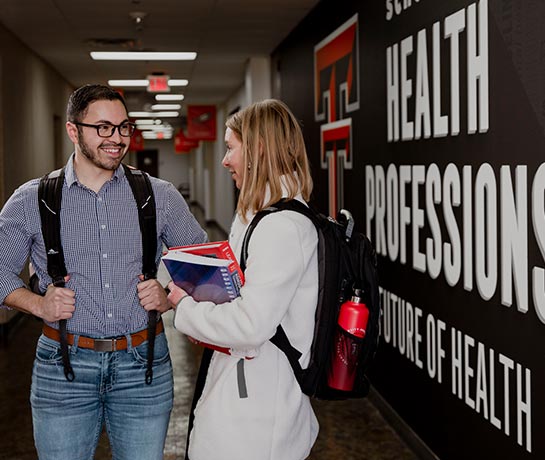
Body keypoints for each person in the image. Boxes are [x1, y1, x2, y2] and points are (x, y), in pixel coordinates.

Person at [0, 84, 207, 460]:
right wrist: (38, 305)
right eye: (104, 128)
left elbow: (202, 262)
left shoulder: (158, 195)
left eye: (124, 127)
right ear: (73, 130)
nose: (117, 139)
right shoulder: (33, 199)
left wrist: (170, 294)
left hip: (143, 365)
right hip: (62, 368)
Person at [167, 99, 319, 460]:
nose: (224, 160)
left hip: (258, 418)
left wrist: (185, 307)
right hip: (243, 395)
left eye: (230, 147)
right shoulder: (259, 219)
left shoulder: (282, 227)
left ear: (258, 150)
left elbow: (250, 325)